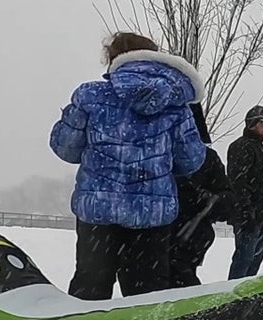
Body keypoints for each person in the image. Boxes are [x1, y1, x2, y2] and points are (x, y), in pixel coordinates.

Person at [50, 31, 206, 300]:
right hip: (152, 216)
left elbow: (65, 148)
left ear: (113, 58)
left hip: (98, 213)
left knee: (90, 288)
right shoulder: (176, 106)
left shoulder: (90, 96)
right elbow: (192, 160)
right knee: (146, 297)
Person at [169, 103, 234, 288]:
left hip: (191, 233)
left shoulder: (207, 158)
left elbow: (227, 200)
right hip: (153, 236)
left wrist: (206, 201)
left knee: (180, 278)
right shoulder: (156, 152)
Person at [227, 105, 263, 279]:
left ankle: (245, 294)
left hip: (262, 219)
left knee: (252, 266)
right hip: (249, 220)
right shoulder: (241, 147)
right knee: (243, 263)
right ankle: (233, 294)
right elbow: (238, 183)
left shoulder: (260, 149)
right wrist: (247, 213)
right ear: (251, 124)